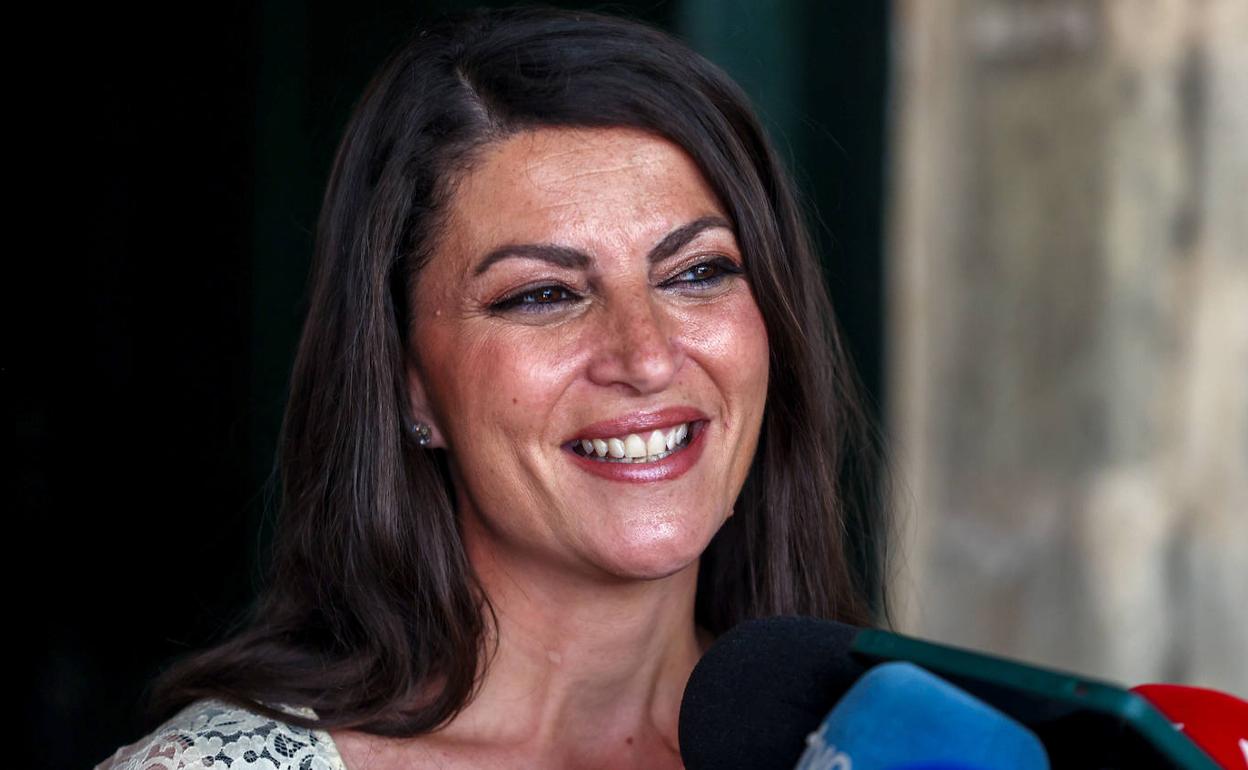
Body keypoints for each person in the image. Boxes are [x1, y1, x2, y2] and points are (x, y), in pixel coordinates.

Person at [96, 6, 888, 769]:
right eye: (543, 295)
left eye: (697, 272)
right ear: (407, 381)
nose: (646, 358)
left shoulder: (893, 748)